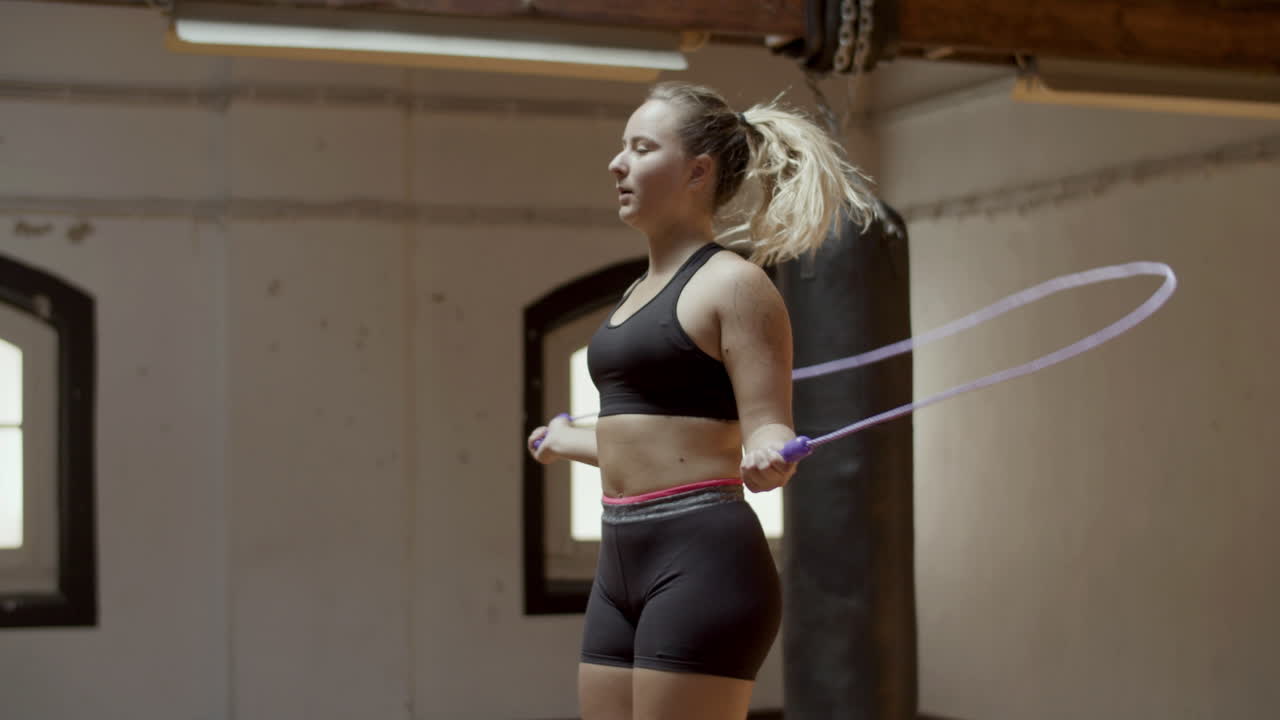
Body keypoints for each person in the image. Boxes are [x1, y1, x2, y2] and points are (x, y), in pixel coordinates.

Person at [526, 81, 876, 720]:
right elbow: (647, 434)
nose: (617, 163)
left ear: (697, 171)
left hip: (703, 562)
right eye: (621, 148)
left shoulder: (736, 286)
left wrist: (772, 455)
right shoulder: (635, 293)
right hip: (619, 562)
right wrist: (564, 440)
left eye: (640, 147)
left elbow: (767, 425)